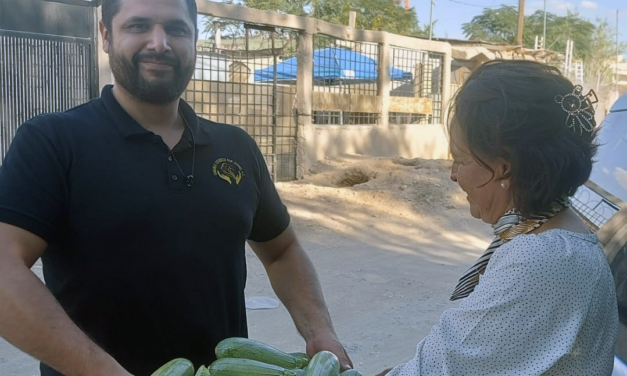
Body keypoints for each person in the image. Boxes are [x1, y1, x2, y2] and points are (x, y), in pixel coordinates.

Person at [0, 0, 352, 375]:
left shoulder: (236, 147)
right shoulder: (52, 142)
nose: (159, 43)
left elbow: (282, 250)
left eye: (176, 29)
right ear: (105, 35)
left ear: (195, 39)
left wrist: (321, 332)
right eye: (138, 26)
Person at [379, 60, 618, 375]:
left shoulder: (541, 259)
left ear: (504, 166)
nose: (453, 174)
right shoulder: (554, 239)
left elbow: (441, 368)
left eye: (461, 159)